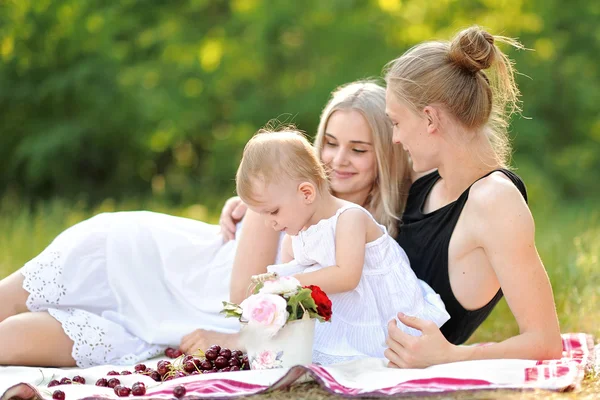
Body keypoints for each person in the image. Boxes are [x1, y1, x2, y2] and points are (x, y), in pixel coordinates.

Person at [218, 26, 563, 368]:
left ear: (430, 120)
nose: (394, 138)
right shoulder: (429, 179)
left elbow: (545, 342)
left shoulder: (495, 201)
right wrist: (257, 205)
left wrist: (452, 356)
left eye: (396, 123)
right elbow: (339, 187)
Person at [0, 80, 409, 367]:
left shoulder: (367, 229)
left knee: (12, 342)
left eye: (358, 149)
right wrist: (238, 338)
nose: (338, 160)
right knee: (9, 300)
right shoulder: (283, 204)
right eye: (331, 143)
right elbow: (243, 293)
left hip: (164, 329)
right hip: (149, 263)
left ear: (388, 157)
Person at [234, 129, 449, 365]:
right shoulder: (296, 234)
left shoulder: (349, 218)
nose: (270, 222)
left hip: (382, 310)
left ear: (306, 193)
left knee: (374, 355)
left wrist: (289, 281)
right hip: (347, 309)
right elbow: (291, 284)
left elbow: (347, 276)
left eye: (273, 211)